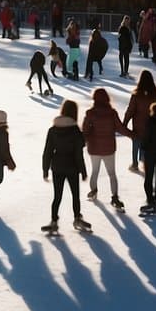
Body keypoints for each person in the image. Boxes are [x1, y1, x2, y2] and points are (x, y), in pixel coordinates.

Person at [41, 99, 90, 233]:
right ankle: (77, 218)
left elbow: (47, 151)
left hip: (57, 167)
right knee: (75, 195)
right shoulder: (75, 131)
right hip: (72, 167)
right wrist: (83, 171)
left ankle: (54, 221)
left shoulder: (53, 130)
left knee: (57, 196)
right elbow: (78, 154)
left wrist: (45, 169)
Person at [83, 88, 132, 211]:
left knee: (95, 171)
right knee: (112, 173)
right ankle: (114, 197)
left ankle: (93, 191)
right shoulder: (112, 113)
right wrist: (133, 134)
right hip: (108, 148)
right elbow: (120, 128)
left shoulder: (90, 113)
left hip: (94, 148)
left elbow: (85, 131)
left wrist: (82, 141)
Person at [123, 70, 156, 174]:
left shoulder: (136, 94)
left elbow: (130, 110)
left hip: (138, 125)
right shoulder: (155, 94)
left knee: (136, 143)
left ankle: (135, 164)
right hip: (151, 126)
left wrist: (125, 123)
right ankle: (145, 162)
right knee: (147, 145)